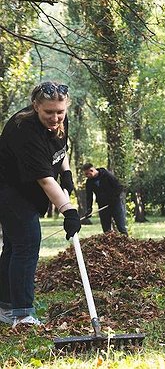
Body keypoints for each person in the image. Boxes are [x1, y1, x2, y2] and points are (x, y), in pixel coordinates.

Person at [0, 82, 81, 327]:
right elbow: (45, 180)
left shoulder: (59, 119)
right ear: (36, 106)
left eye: (60, 112)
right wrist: (69, 210)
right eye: (49, 113)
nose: (55, 118)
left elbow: (59, 149)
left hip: (27, 189)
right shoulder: (24, 129)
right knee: (27, 242)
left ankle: (4, 308)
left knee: (15, 246)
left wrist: (66, 172)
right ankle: (23, 315)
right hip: (8, 188)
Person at [82, 163, 128, 235]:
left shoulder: (106, 175)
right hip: (102, 206)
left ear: (92, 170)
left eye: (87, 174)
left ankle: (127, 244)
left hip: (115, 204)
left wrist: (114, 199)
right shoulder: (89, 182)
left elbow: (118, 187)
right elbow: (89, 197)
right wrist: (89, 209)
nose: (87, 176)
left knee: (121, 227)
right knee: (106, 230)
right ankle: (109, 245)